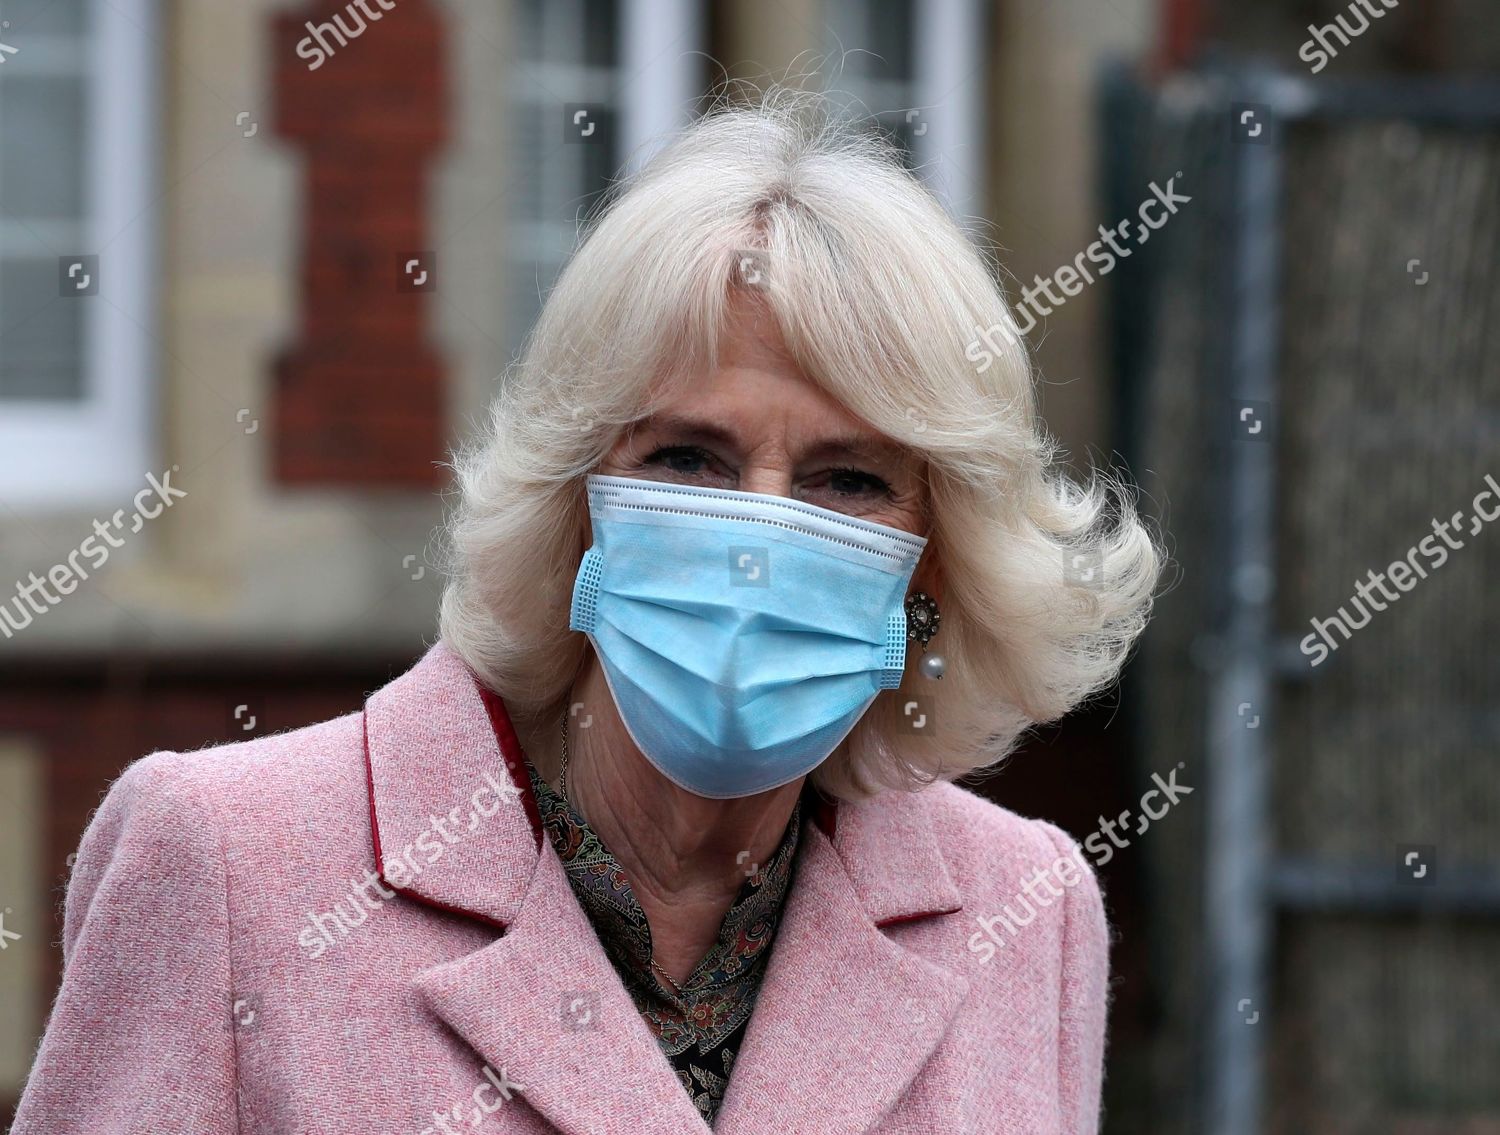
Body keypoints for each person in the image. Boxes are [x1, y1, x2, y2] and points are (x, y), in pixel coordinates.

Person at [13, 90, 1160, 1134]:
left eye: (846, 480)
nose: (758, 540)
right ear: (575, 504)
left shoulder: (1024, 910)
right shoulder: (229, 862)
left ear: (935, 565)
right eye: (689, 458)